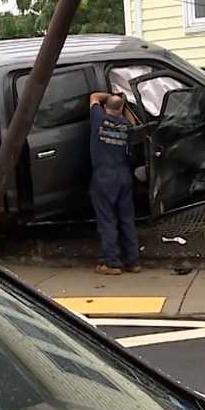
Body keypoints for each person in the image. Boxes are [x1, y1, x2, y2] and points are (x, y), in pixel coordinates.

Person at [88, 92, 141, 275]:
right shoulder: (127, 126)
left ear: (105, 107)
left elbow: (93, 96)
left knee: (107, 220)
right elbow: (134, 122)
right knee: (127, 220)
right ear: (121, 109)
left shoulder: (98, 119)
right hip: (123, 176)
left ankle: (111, 263)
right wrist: (124, 104)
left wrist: (110, 95)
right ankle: (133, 262)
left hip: (104, 176)